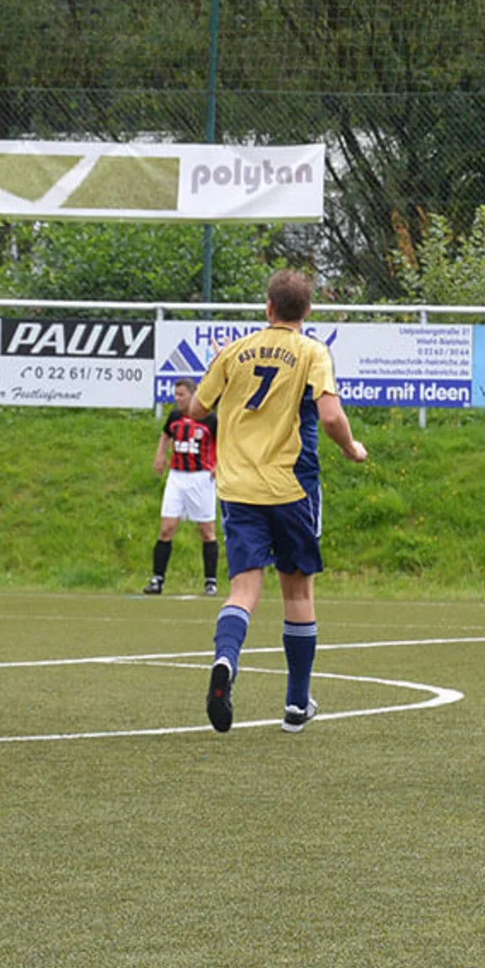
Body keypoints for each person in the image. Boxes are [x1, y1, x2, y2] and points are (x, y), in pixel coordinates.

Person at [190, 269, 367, 734]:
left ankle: (226, 661)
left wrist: (221, 375)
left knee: (243, 590)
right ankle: (295, 703)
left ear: (268, 307)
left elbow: (195, 411)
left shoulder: (235, 350)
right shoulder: (312, 351)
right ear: (307, 312)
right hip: (292, 486)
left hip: (238, 487)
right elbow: (330, 415)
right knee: (298, 590)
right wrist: (351, 448)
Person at [142, 377, 220, 596]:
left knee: (207, 531)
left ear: (193, 395)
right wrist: (160, 455)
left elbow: (224, 442)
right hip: (177, 477)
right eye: (176, 395)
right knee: (166, 528)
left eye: (181, 395)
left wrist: (219, 464)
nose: (177, 399)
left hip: (202, 478)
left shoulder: (211, 419)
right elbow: (166, 435)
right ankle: (158, 579)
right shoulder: (175, 417)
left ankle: (210, 581)